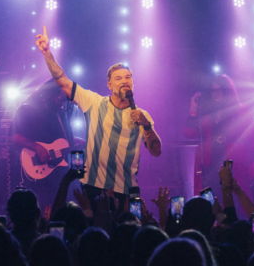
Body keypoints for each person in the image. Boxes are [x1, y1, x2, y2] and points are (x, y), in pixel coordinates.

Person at [35, 26, 161, 204]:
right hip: (94, 188)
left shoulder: (142, 115)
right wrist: (47, 53)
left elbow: (156, 152)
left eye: (128, 77)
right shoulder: (93, 102)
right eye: (119, 78)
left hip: (127, 190)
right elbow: (63, 82)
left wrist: (147, 126)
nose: (125, 81)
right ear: (109, 84)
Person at [183, 74, 254, 194]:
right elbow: (188, 133)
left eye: (219, 89)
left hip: (233, 166)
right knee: (210, 200)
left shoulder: (241, 110)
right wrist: (193, 109)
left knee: (233, 199)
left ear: (227, 91)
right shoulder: (207, 113)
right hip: (209, 167)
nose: (215, 93)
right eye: (213, 90)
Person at [11, 80, 85, 207]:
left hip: (58, 174)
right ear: (48, 94)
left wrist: (83, 142)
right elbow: (14, 136)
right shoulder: (27, 109)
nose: (62, 103)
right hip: (36, 172)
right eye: (60, 99)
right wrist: (37, 147)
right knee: (41, 207)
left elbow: (65, 139)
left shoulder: (59, 113)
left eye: (64, 101)